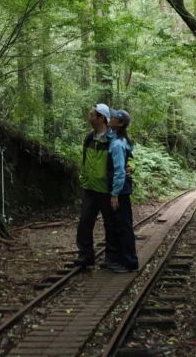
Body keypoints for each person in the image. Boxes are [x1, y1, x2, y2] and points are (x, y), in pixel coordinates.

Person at [73, 103, 118, 268]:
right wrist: (83, 178)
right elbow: (85, 160)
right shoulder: (88, 138)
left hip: (107, 189)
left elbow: (126, 158)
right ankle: (85, 255)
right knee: (84, 222)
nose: (89, 117)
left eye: (92, 115)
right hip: (90, 188)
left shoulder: (113, 139)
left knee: (111, 225)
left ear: (101, 118)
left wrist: (130, 168)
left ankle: (111, 258)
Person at [106, 109, 138, 273]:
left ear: (120, 123)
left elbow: (119, 171)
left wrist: (114, 193)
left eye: (113, 118)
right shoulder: (118, 139)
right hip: (122, 188)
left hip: (120, 189)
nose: (110, 118)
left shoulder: (118, 144)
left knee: (123, 225)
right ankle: (124, 260)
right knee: (121, 224)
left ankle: (129, 262)